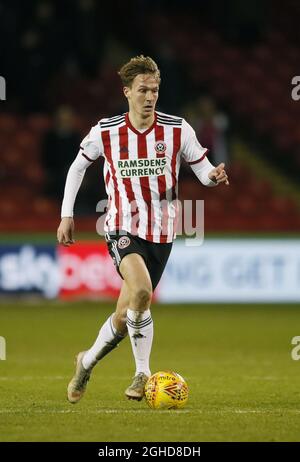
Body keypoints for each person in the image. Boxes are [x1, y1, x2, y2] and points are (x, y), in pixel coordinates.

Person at [57, 55, 229, 404]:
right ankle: (142, 374)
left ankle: (85, 362)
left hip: (163, 233)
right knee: (141, 292)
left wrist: (213, 177)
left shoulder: (178, 129)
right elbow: (77, 169)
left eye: (155, 90)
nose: (150, 96)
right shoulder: (105, 131)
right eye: (142, 90)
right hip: (121, 226)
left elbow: (202, 169)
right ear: (127, 92)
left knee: (125, 316)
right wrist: (66, 214)